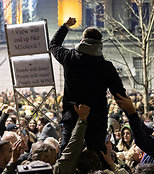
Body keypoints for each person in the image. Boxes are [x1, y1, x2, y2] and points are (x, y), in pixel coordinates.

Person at [49, 17, 126, 152]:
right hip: (96, 121)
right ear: (100, 44)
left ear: (82, 41)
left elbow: (54, 45)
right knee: (97, 157)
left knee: (68, 157)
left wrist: (66, 26)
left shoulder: (69, 57)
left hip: (72, 118)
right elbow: (119, 93)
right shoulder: (106, 67)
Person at [3, 104, 90, 174]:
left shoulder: (23, 170)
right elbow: (72, 149)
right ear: (45, 159)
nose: (56, 159)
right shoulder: (54, 171)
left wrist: (13, 160)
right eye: (54, 156)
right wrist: (81, 120)